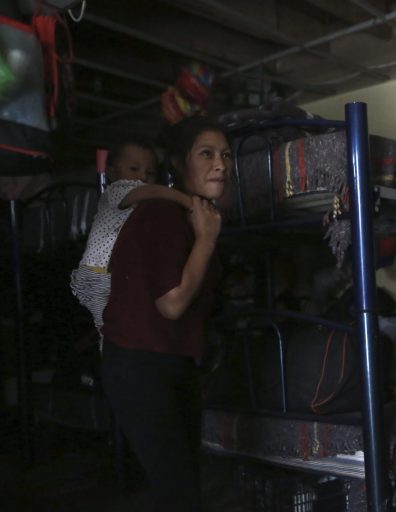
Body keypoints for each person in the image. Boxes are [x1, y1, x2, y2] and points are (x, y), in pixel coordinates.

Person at [100, 116, 232, 511]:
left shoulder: (195, 218)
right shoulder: (161, 213)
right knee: (181, 493)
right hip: (140, 365)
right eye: (206, 154)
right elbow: (172, 303)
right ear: (178, 162)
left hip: (172, 363)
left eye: (225, 155)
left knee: (185, 485)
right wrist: (207, 240)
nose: (221, 164)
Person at [70, 140, 192, 343]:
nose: (142, 177)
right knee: (111, 332)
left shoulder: (144, 208)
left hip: (111, 275)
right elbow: (151, 191)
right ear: (111, 172)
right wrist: (189, 202)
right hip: (97, 276)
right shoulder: (115, 192)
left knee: (116, 328)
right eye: (134, 169)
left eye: (150, 173)